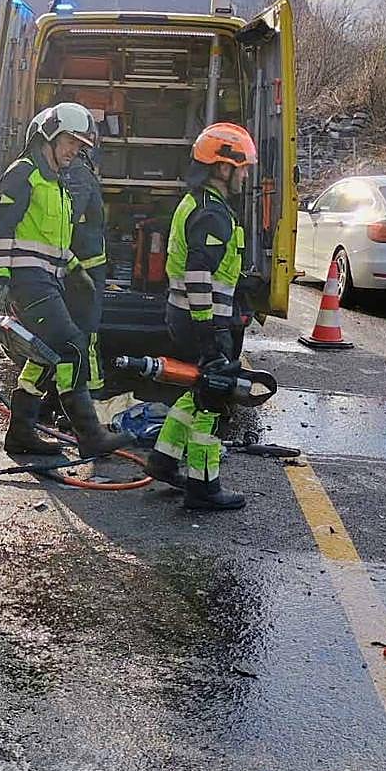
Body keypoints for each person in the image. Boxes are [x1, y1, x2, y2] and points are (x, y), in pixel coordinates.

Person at [0, 103, 130, 458]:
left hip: (48, 280)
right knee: (72, 347)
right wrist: (1, 279)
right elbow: (2, 229)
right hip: (27, 282)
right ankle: (90, 435)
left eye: (80, 145)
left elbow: (52, 243)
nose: (74, 150)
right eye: (70, 141)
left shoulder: (58, 185)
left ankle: (21, 433)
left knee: (45, 354)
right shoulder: (24, 174)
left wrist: (75, 270)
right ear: (48, 135)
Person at [143, 122, 256, 511]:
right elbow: (198, 272)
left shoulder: (199, 204)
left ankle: (163, 459)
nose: (245, 175)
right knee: (214, 398)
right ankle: (203, 487)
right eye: (241, 168)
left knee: (196, 390)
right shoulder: (212, 214)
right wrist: (210, 332)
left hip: (185, 315)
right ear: (223, 168)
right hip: (201, 321)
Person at [63, 141, 108, 397]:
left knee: (84, 334)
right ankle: (85, 395)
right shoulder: (80, 172)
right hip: (82, 265)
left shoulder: (76, 174)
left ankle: (89, 397)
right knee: (83, 333)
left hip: (82, 267)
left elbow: (67, 217)